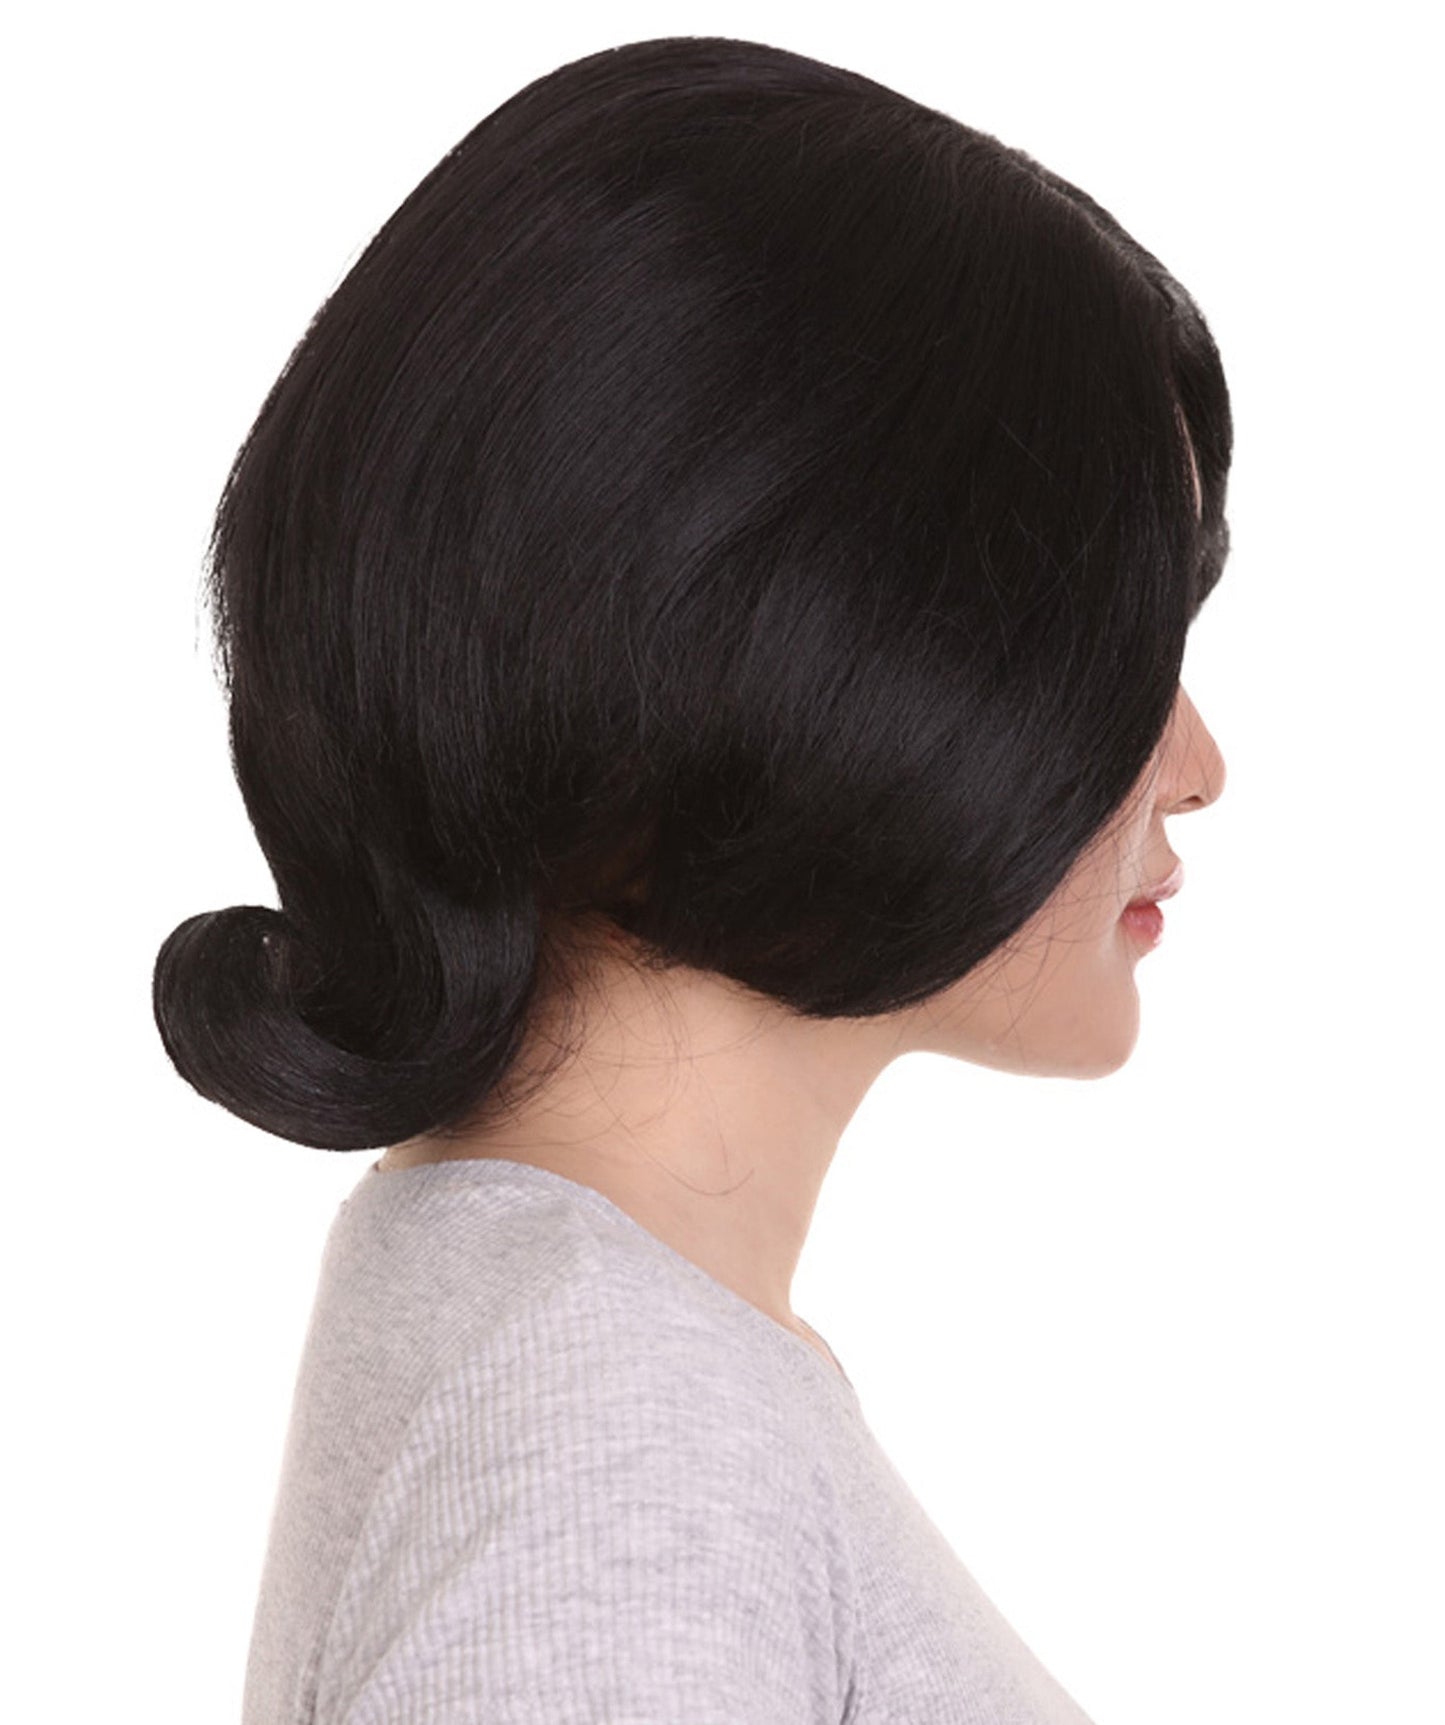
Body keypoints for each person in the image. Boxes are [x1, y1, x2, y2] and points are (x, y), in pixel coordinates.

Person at [153, 35, 1232, 1724]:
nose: (1198, 761)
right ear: (812, 645)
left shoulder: (558, 1328)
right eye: (1114, 646)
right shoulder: (617, 1417)